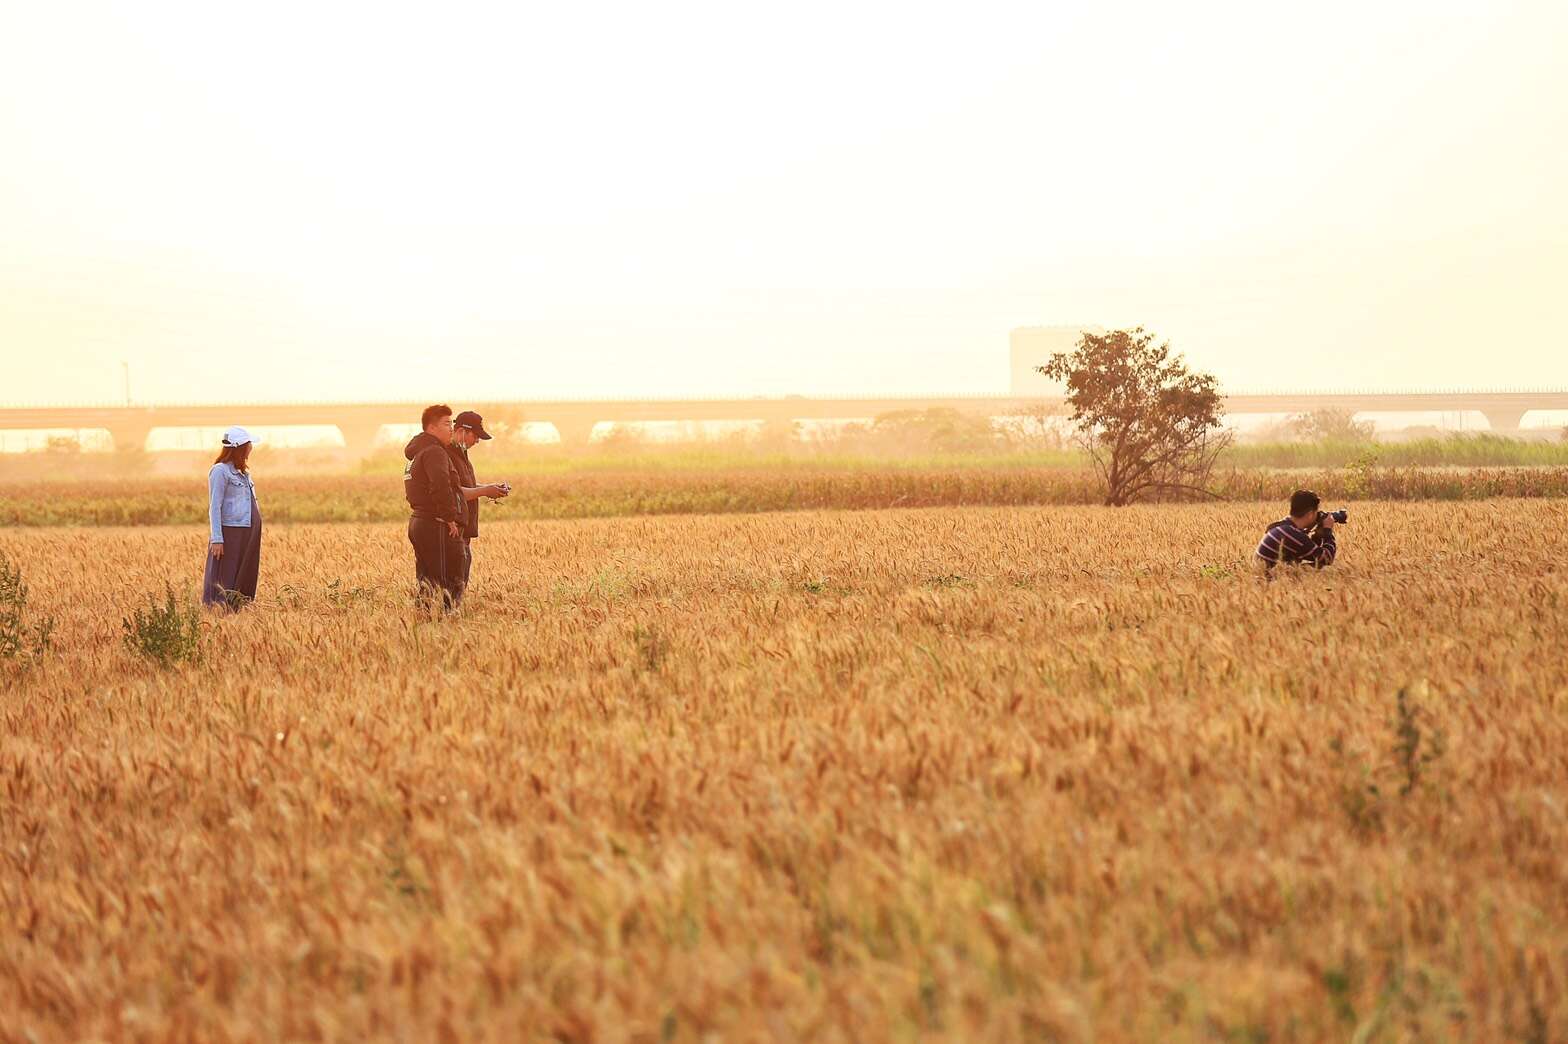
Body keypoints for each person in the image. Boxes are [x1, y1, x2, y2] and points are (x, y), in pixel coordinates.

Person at [403, 405, 467, 611]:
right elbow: (440, 485)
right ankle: (447, 623)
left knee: (428, 580)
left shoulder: (418, 453)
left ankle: (424, 621)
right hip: (435, 523)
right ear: (431, 428)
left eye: (452, 423)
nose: (452, 428)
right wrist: (450, 518)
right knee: (449, 580)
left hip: (419, 522)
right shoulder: (434, 452)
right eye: (447, 423)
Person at [447, 410, 511, 591]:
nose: (477, 441)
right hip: (454, 531)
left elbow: (466, 484)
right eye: (475, 436)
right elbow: (454, 492)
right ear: (462, 431)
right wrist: (484, 490)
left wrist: (490, 488)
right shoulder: (447, 454)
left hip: (464, 531)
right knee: (453, 587)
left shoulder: (461, 454)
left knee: (460, 584)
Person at [203, 426, 262, 609]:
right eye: (248, 444)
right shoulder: (220, 471)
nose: (251, 447)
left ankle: (238, 608)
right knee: (225, 574)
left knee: (244, 572)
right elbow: (215, 506)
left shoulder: (244, 473)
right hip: (231, 530)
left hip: (247, 531)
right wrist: (217, 538)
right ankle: (219, 610)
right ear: (240, 447)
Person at [1256, 489, 1339, 572]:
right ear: (1310, 514)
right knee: (1325, 570)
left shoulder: (1284, 526)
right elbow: (1327, 558)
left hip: (1266, 577)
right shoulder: (1293, 534)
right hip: (1271, 581)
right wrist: (1328, 530)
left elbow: (1309, 552)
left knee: (1309, 569)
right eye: (1316, 512)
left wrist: (1317, 534)